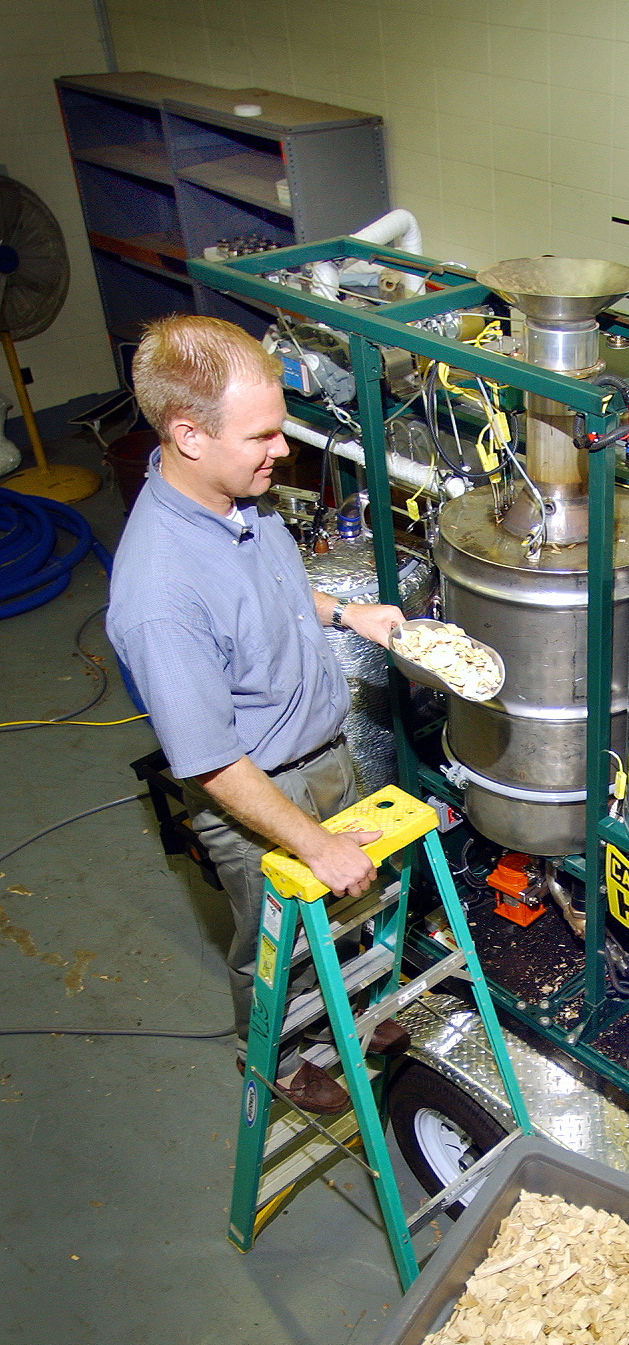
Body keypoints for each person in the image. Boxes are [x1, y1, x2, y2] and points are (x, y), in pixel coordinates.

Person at [107, 315, 408, 1110]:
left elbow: (268, 595)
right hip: (258, 789)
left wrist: (345, 614)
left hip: (324, 750)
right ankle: (281, 1049)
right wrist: (312, 842)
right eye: (264, 435)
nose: (283, 449)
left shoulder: (239, 498)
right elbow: (207, 759)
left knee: (347, 911)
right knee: (274, 945)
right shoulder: (159, 592)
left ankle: (352, 1011)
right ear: (189, 434)